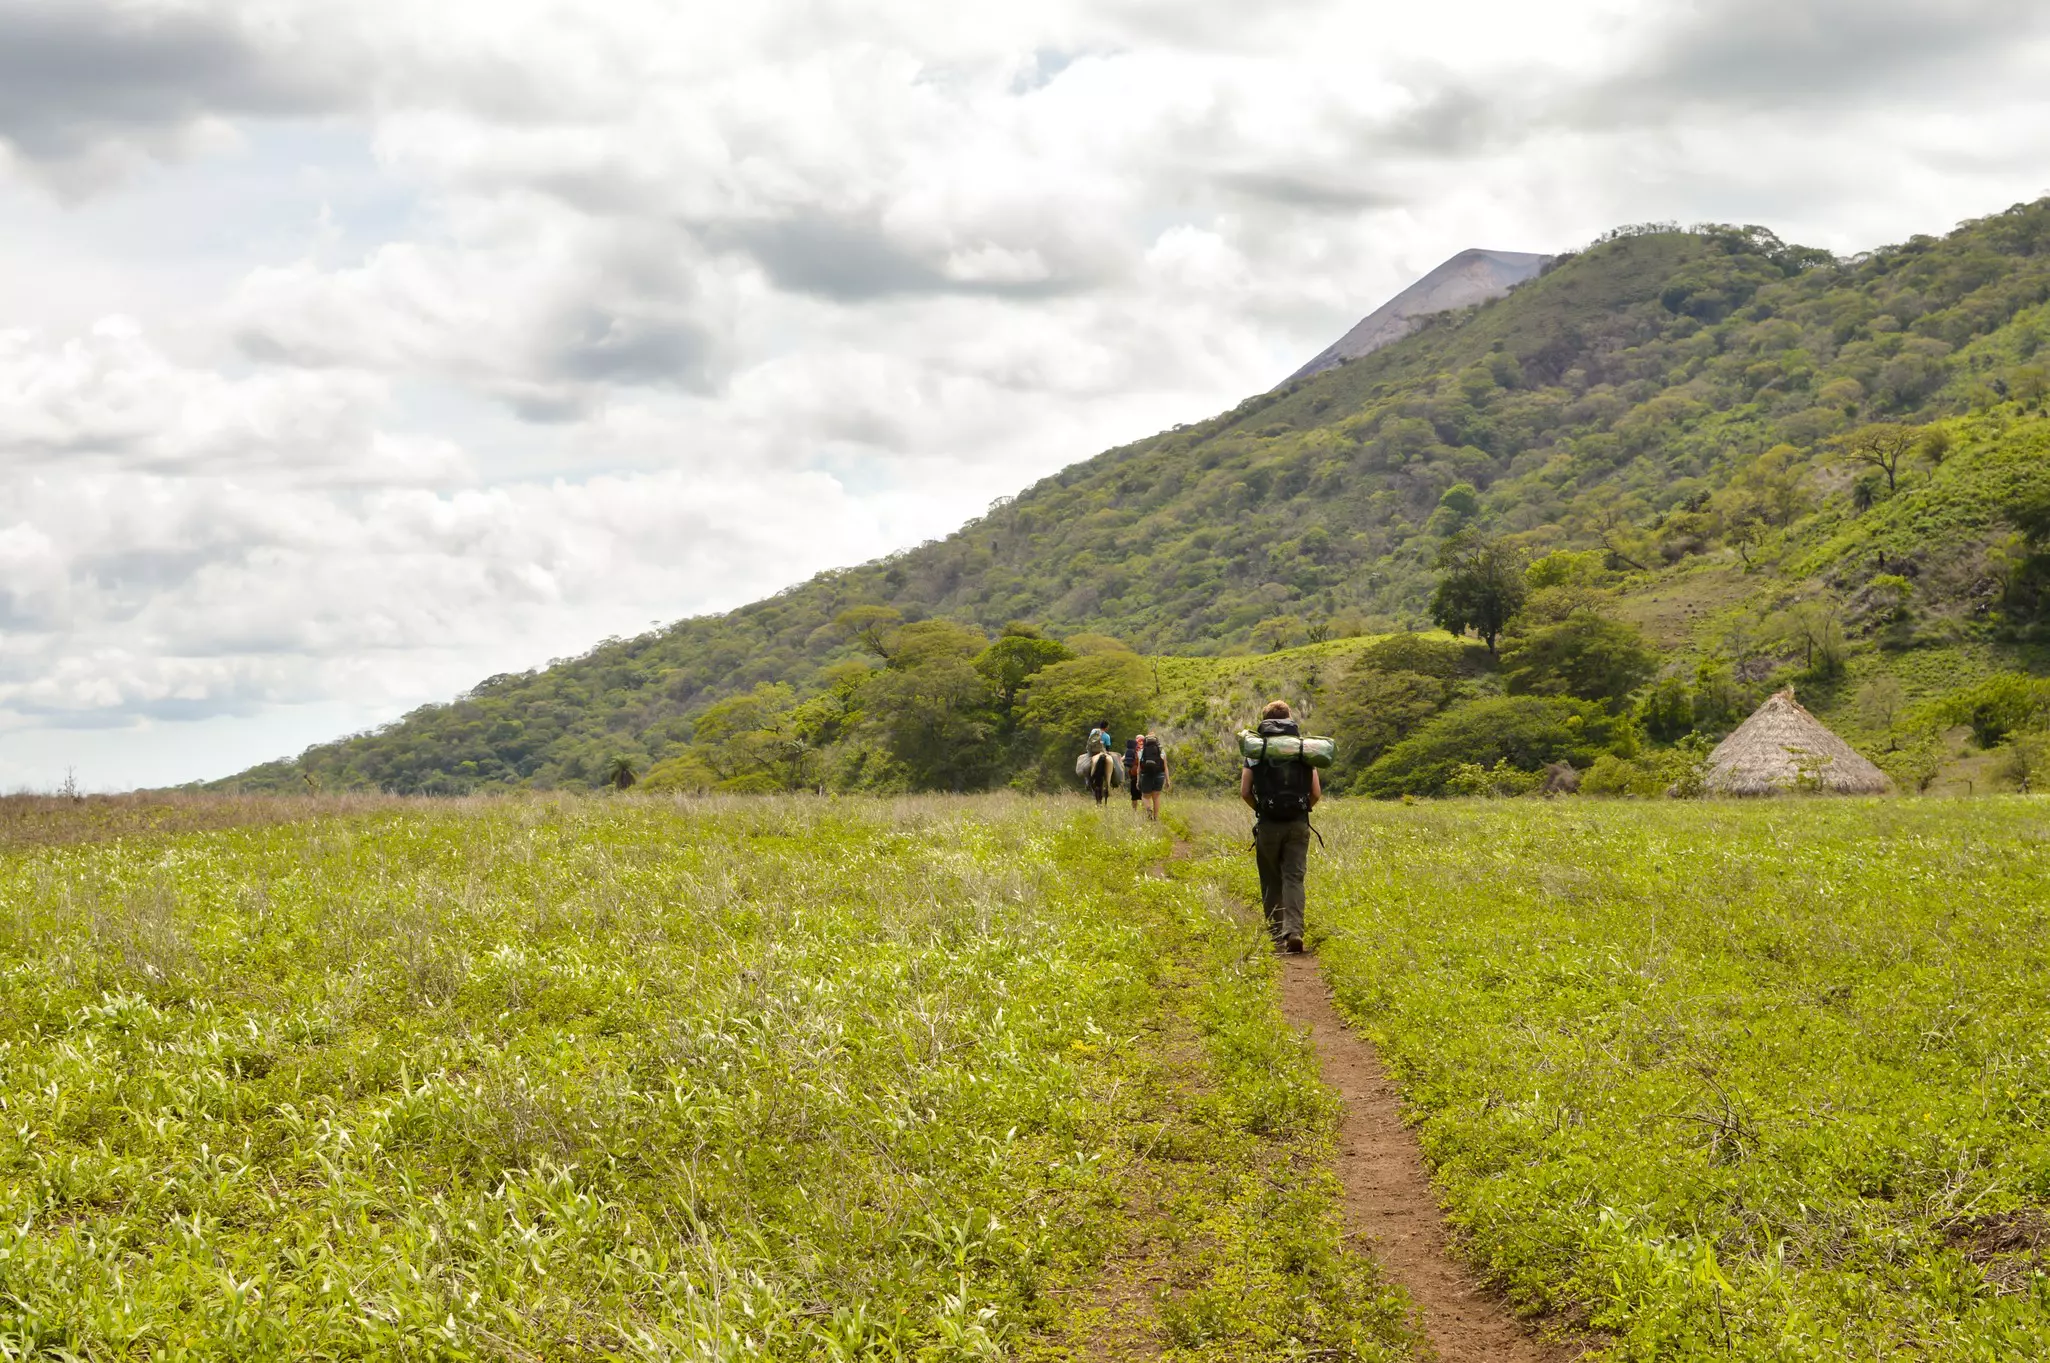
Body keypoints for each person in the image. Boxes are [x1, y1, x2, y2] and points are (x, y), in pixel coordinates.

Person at [1240, 700, 1320, 954]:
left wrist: (1261, 809)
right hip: (1298, 823)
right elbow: (1316, 793)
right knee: (1294, 877)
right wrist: (1301, 809)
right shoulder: (1304, 750)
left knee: (1271, 879)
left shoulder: (1257, 751)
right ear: (1289, 719)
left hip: (1268, 825)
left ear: (1264, 721)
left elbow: (1244, 792)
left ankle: (1276, 935)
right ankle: (1294, 931)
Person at [1135, 731, 1168, 821]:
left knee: (1145, 796)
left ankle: (1149, 809)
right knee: (1156, 797)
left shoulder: (1141, 751)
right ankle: (1156, 818)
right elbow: (1165, 767)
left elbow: (1139, 768)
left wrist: (1138, 780)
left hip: (1146, 775)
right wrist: (1168, 780)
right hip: (1159, 775)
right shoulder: (1161, 751)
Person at [1124, 734, 1144, 812]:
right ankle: (1144, 811)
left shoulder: (1132, 750)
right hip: (1144, 775)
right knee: (1145, 795)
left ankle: (1134, 812)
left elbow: (1124, 759)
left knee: (1134, 795)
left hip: (1134, 775)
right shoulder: (1146, 749)